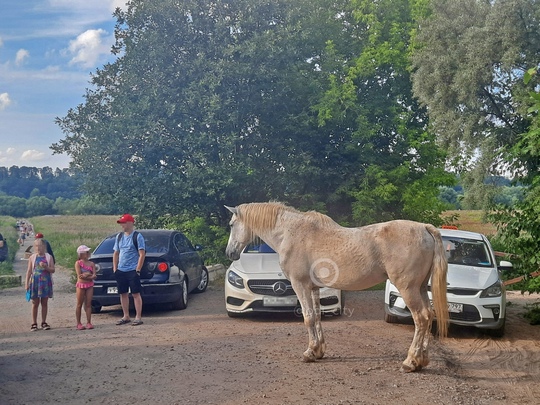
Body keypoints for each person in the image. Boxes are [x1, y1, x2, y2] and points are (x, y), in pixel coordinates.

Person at [113, 213, 146, 326]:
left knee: (136, 293)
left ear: (130, 223)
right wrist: (115, 268)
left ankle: (138, 317)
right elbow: (116, 253)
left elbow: (142, 254)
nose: (122, 225)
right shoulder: (119, 236)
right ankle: (126, 316)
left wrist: (138, 269)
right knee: (123, 293)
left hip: (132, 270)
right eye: (121, 223)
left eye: (124, 223)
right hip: (121, 270)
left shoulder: (137, 236)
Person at [25, 238, 55, 331]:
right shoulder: (32, 257)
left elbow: (53, 270)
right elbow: (29, 271)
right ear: (34, 247)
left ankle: (44, 322)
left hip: (45, 282)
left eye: (40, 246)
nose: (39, 248)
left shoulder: (48, 257)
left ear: (44, 247)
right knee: (35, 303)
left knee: (44, 303)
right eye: (36, 246)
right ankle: (34, 323)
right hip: (35, 282)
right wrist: (26, 283)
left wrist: (46, 267)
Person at [74, 245, 96, 330]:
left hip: (89, 285)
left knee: (88, 304)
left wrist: (88, 275)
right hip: (81, 285)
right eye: (85, 252)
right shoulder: (78, 263)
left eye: (87, 252)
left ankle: (89, 322)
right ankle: (78, 323)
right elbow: (80, 276)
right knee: (79, 304)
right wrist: (89, 276)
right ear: (81, 254)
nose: (87, 254)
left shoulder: (91, 263)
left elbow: (94, 275)